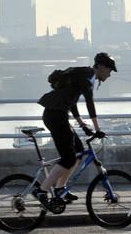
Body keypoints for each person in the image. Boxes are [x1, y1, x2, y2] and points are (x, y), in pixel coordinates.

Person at [33, 53, 117, 208]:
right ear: (102, 67)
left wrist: (82, 124)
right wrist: (97, 129)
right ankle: (41, 190)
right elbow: (89, 103)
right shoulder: (88, 76)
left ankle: (59, 189)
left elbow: (71, 102)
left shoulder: (84, 75)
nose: (110, 74)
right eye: (109, 70)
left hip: (58, 114)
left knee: (78, 152)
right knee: (68, 158)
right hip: (55, 116)